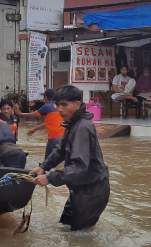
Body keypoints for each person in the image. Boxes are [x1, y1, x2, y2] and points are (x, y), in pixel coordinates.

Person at [30, 85, 110, 231]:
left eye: (64, 104)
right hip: (80, 188)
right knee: (66, 228)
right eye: (57, 104)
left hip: (91, 191)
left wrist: (50, 177)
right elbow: (60, 150)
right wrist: (44, 167)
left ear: (77, 104)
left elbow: (79, 167)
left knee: (81, 237)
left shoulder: (82, 127)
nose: (60, 109)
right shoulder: (72, 123)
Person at [14, 89, 65, 159]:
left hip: (54, 137)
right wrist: (34, 129)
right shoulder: (60, 106)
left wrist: (20, 114)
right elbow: (48, 123)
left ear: (46, 97)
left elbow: (34, 115)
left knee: (47, 161)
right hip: (64, 137)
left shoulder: (47, 106)